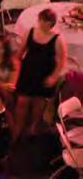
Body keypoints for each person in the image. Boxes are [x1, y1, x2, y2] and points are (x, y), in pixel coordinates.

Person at [13, 9, 67, 138]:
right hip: (28, 72)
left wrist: (54, 77)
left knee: (38, 103)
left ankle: (32, 127)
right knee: (22, 101)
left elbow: (62, 60)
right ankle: (17, 128)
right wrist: (15, 64)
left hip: (44, 75)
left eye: (43, 21)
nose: (40, 23)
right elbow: (21, 51)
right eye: (40, 20)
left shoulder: (57, 39)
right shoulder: (31, 32)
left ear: (50, 24)